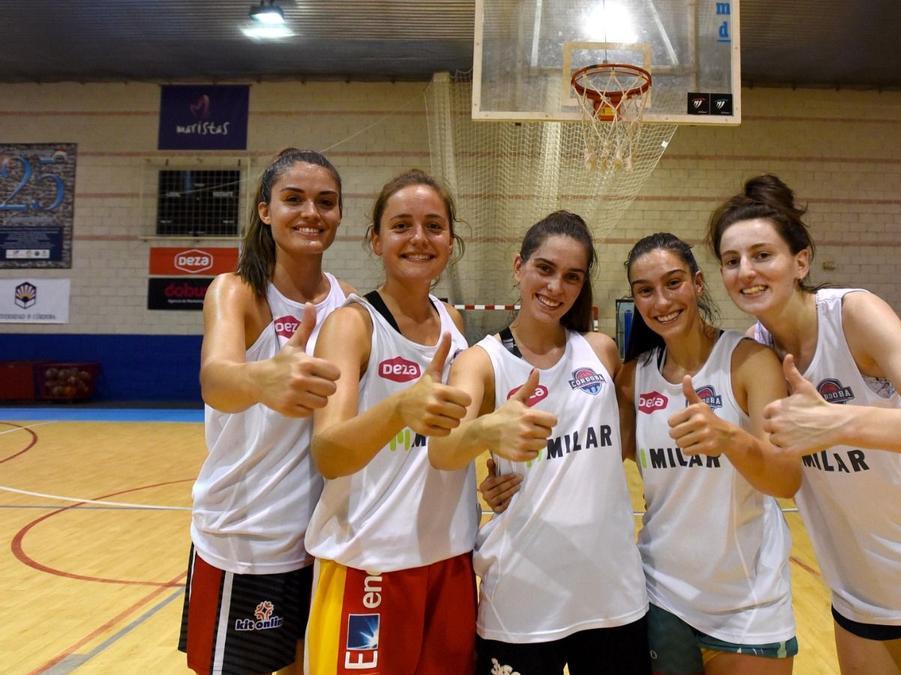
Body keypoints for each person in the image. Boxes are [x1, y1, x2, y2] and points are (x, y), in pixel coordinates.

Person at [708, 174, 901, 674]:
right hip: (861, 576)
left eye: (761, 255)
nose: (745, 271)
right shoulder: (753, 350)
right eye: (731, 261)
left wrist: (839, 422)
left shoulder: (854, 315)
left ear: (801, 261)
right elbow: (779, 475)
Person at [429, 211, 650, 675]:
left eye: (571, 276)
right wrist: (488, 431)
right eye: (544, 269)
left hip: (611, 591)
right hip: (523, 596)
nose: (556, 287)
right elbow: (443, 451)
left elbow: (626, 443)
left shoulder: (601, 351)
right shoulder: (482, 361)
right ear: (519, 266)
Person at [180, 148, 350, 675]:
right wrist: (263, 378)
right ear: (264, 210)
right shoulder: (236, 292)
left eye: (325, 202)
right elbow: (216, 379)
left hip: (320, 538)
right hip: (245, 536)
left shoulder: (345, 304)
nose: (310, 213)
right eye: (293, 199)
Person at [303, 170, 477, 675]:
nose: (419, 238)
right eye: (402, 225)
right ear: (376, 240)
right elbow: (330, 454)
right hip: (369, 561)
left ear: (451, 241)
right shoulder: (352, 325)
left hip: (449, 556)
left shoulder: (454, 323)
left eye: (434, 226)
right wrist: (399, 409)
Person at [619, 232, 799, 675]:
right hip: (664, 596)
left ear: (698, 284)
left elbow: (786, 480)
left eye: (674, 282)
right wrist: (508, 480)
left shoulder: (750, 362)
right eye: (645, 290)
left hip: (749, 600)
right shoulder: (632, 377)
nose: (661, 300)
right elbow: (590, 456)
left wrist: (731, 439)